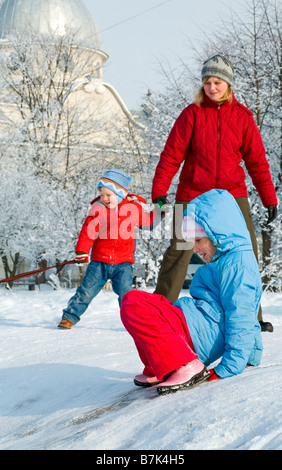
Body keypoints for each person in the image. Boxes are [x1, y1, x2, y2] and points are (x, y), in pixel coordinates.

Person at [151, 54, 278, 332]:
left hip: (232, 195)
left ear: (228, 84)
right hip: (192, 191)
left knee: (245, 251)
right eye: (207, 81)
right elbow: (171, 155)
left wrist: (269, 198)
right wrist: (159, 192)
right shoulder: (191, 114)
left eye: (217, 81)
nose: (212, 87)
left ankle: (250, 317)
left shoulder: (243, 117)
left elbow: (257, 161)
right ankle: (158, 312)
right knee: (178, 249)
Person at [120, 189, 263, 395]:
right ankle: (163, 365)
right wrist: (253, 354)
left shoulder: (237, 266)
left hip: (200, 333)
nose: (195, 249)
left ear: (218, 234)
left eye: (198, 240)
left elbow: (242, 316)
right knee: (144, 301)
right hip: (196, 326)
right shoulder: (228, 262)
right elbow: (248, 315)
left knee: (134, 303)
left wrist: (230, 367)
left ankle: (183, 363)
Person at [58, 169, 161, 329]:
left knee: (127, 296)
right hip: (99, 262)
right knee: (86, 291)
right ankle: (69, 316)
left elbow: (148, 222)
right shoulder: (98, 211)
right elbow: (88, 232)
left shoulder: (133, 209)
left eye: (108, 195)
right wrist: (82, 252)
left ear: (120, 194)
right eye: (102, 195)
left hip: (124, 264)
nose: (104, 198)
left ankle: (132, 323)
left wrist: (159, 210)